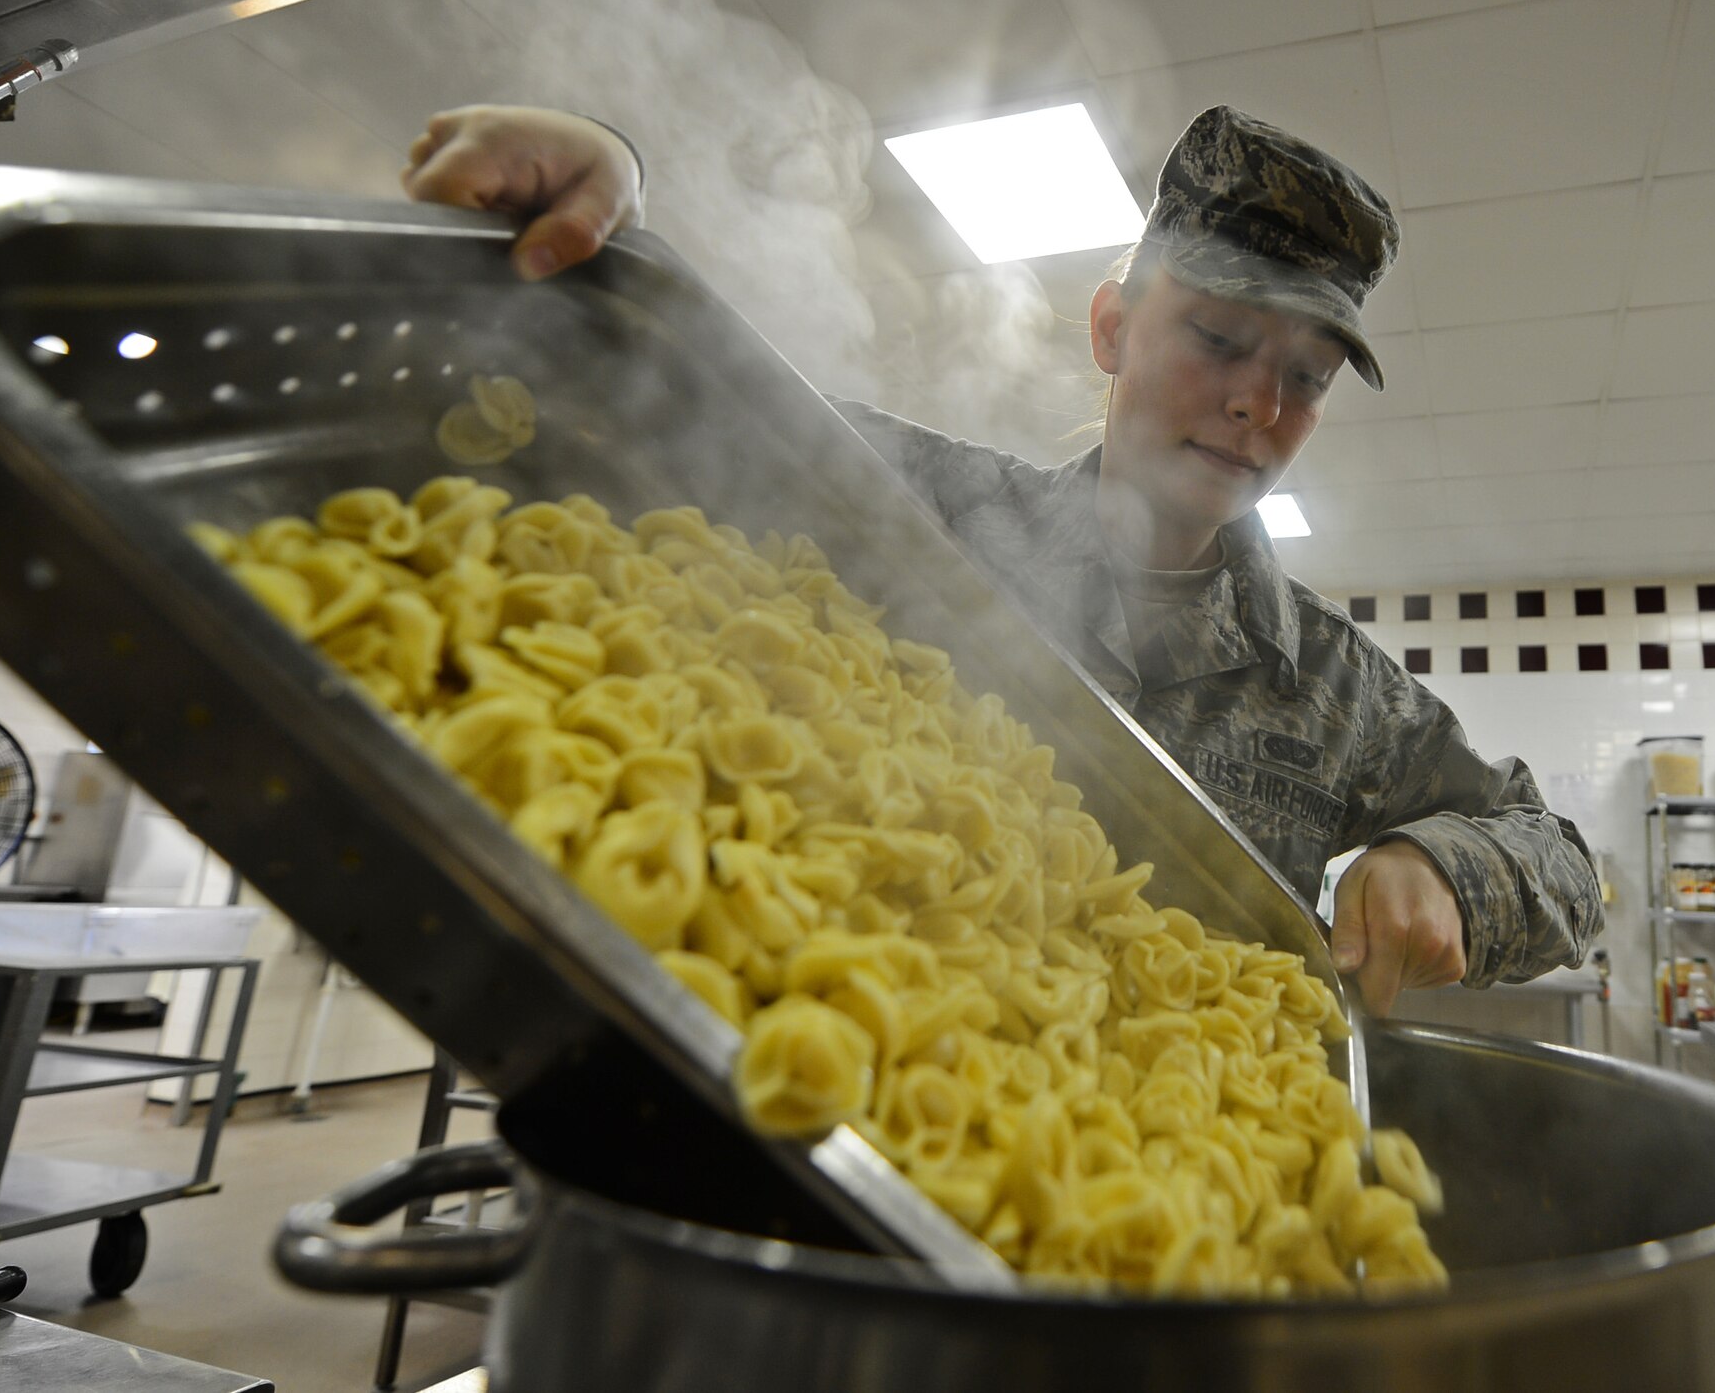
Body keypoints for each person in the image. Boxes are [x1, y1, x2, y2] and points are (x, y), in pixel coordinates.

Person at [400, 102, 1605, 1015]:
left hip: (1146, 1223)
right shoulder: (911, 510)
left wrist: (1444, 863)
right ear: (1111, 329)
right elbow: (654, 404)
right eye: (1218, 338)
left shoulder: (1333, 686)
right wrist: (600, 217)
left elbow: (1559, 857)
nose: (1254, 405)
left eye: (1303, 377)